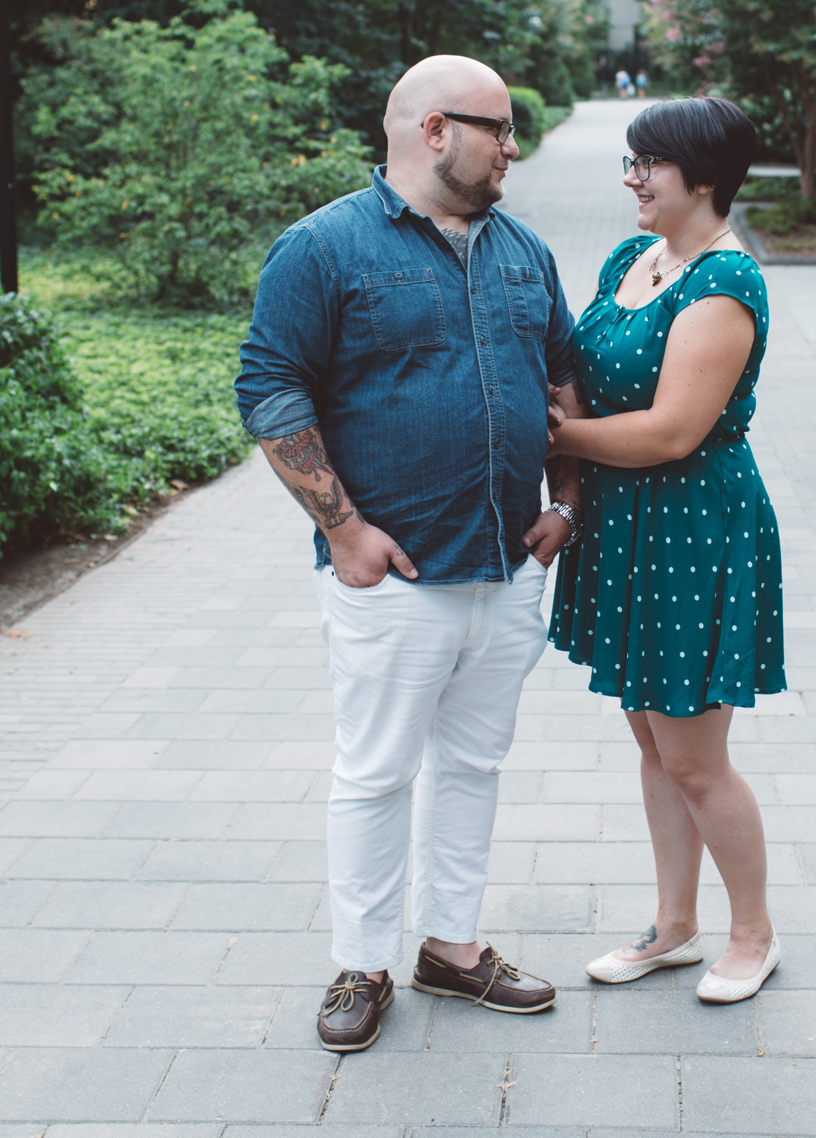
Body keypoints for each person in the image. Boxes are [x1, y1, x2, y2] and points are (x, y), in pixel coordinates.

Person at [235, 54, 583, 1054]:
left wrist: (564, 500)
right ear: (433, 129)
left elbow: (561, 380)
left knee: (474, 762)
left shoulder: (522, 250)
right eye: (498, 127)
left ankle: (453, 947)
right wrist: (342, 529)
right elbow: (270, 389)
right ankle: (363, 961)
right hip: (394, 572)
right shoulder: (324, 247)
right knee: (378, 769)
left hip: (508, 564)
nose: (513, 146)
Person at [546, 95, 785, 1005]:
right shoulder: (630, 258)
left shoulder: (725, 284)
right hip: (628, 524)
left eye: (649, 163)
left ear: (706, 177)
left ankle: (753, 934)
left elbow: (670, 433)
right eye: (630, 160)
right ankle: (674, 926)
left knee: (694, 755)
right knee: (652, 738)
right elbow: (580, 375)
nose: (631, 177)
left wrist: (555, 438)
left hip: (692, 523)